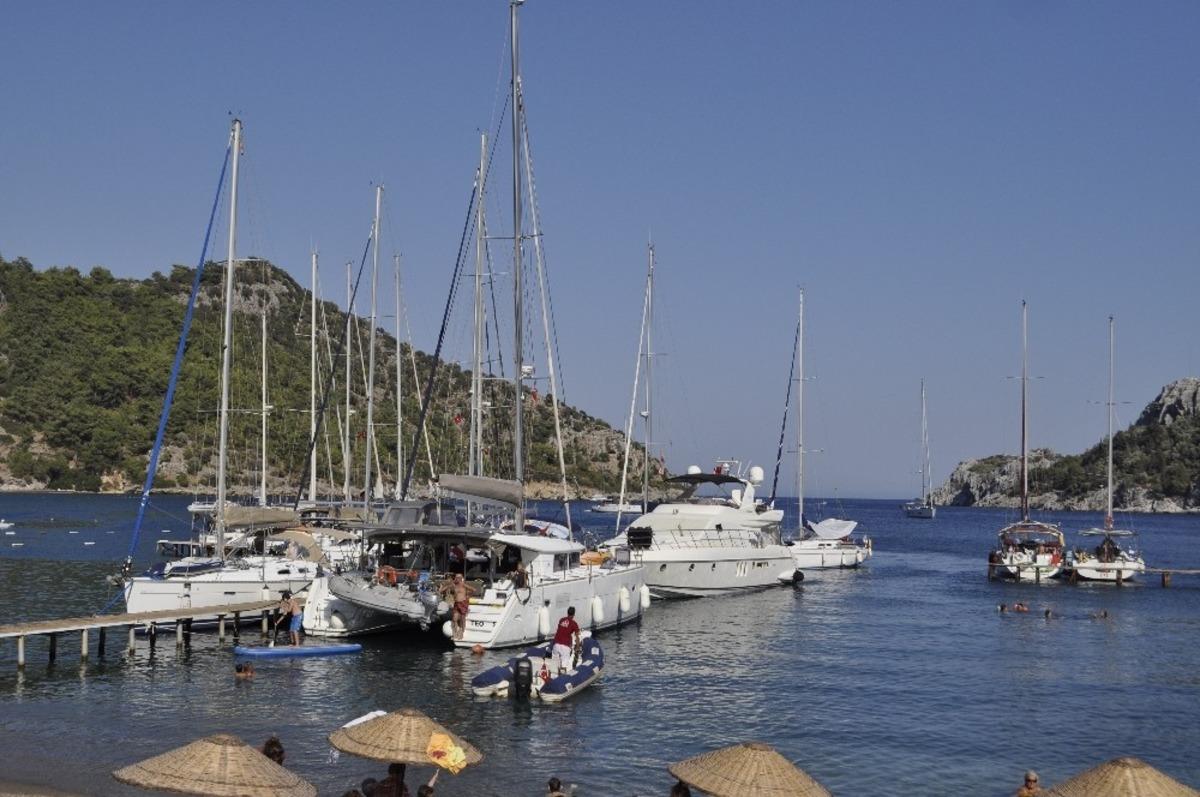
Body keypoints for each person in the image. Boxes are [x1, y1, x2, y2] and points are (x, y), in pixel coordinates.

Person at [441, 574, 476, 641]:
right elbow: (443, 590)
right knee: (454, 619)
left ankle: (461, 632)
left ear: (461, 578)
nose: (456, 578)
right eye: (456, 577)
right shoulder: (453, 585)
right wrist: (443, 587)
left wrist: (468, 596)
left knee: (462, 619)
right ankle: (456, 632)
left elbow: (473, 589)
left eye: (458, 577)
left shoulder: (463, 585)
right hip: (456, 603)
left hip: (463, 603)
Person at [551, 607, 581, 674]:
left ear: (567, 612)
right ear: (574, 614)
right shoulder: (574, 623)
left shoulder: (561, 620)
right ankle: (562, 680)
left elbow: (560, 630)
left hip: (556, 645)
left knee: (555, 666)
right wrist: (578, 647)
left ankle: (554, 679)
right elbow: (577, 637)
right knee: (563, 667)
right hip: (565, 646)